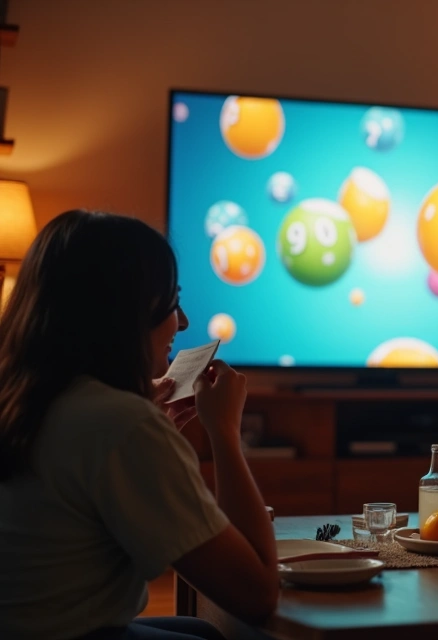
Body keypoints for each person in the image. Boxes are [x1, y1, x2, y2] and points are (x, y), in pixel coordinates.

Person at [0, 211, 279, 639]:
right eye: (171, 303)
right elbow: (256, 593)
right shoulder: (121, 424)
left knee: (200, 631)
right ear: (122, 313)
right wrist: (224, 432)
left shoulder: (23, 399)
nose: (182, 322)